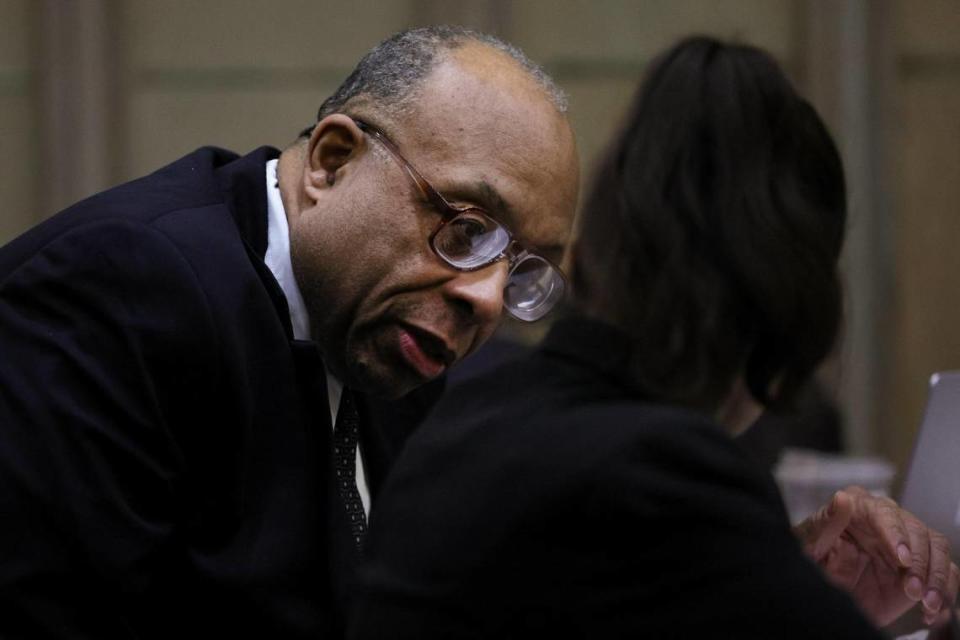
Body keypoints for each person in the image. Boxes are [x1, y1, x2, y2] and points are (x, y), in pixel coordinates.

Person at [348, 36, 960, 638]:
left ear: (593, 251)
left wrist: (776, 574)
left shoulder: (475, 412)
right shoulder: (663, 471)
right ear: (790, 312)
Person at [0, 27, 578, 638]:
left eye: (521, 269)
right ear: (332, 162)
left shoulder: (388, 339)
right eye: (467, 230)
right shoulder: (122, 287)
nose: (486, 300)